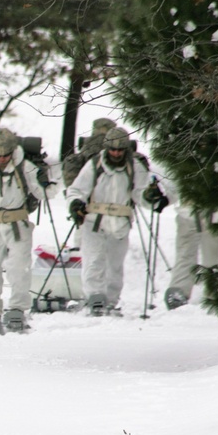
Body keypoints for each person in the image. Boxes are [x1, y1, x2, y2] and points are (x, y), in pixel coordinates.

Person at [67, 127, 149, 315]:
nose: (116, 153)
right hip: (94, 220)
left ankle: (111, 300)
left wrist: (151, 196)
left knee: (114, 264)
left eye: (120, 150)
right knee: (94, 260)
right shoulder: (95, 165)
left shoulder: (135, 167)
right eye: (113, 149)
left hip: (120, 222)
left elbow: (141, 193)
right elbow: (76, 190)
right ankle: (95, 297)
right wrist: (76, 204)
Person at [0, 128, 48, 333]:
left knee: (19, 268)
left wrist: (45, 181)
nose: (2, 159)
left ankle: (17, 309)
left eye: (6, 155)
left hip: (17, 223)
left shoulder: (26, 167)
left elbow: (44, 192)